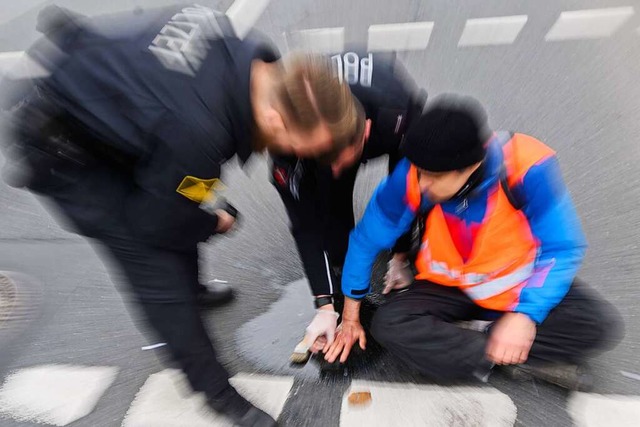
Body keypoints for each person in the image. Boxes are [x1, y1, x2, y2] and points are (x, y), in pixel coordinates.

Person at [0, 4, 361, 426]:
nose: (301, 157)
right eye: (302, 146)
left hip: (115, 121)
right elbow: (157, 222)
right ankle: (215, 393)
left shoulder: (238, 58)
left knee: (178, 211)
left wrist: (198, 207)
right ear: (275, 118)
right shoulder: (199, 130)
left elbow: (181, 166)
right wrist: (211, 222)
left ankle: (194, 290)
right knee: (156, 264)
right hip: (69, 155)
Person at [325, 94, 623, 389]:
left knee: (598, 325)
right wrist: (350, 317)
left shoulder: (526, 165)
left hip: (516, 285)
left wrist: (524, 317)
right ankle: (510, 353)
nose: (422, 183)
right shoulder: (413, 175)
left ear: (469, 167)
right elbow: (365, 241)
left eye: (432, 176)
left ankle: (483, 347)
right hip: (447, 286)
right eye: (419, 172)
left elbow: (562, 247)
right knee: (388, 325)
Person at [271, 51, 426, 354]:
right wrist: (325, 305)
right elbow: (304, 224)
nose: (339, 170)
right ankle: (343, 269)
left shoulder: (394, 112)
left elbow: (406, 188)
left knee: (415, 193)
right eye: (326, 160)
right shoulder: (286, 146)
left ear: (365, 132)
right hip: (327, 139)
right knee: (331, 208)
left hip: (389, 113)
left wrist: (400, 256)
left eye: (343, 160)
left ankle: (402, 255)